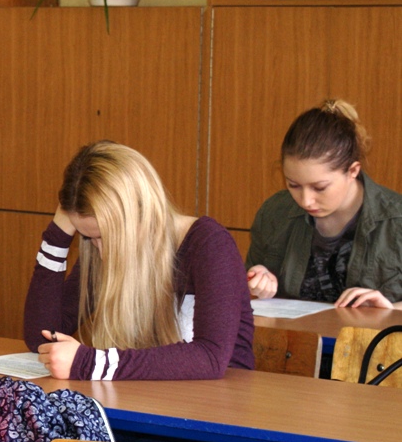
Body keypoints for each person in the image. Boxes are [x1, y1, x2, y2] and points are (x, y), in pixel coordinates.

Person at [24, 140, 255, 381]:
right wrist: (57, 236)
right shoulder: (100, 249)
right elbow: (43, 338)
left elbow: (210, 357)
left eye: (106, 237)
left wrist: (91, 362)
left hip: (220, 400)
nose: (103, 253)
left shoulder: (209, 244)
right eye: (88, 237)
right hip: (145, 398)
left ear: (139, 214)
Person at [246, 98, 402, 309]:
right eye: (293, 185)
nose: (306, 200)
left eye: (320, 187)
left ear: (353, 171)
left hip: (372, 332)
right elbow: (244, 296)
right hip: (294, 331)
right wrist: (256, 282)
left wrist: (390, 311)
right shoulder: (274, 213)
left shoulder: (396, 221)